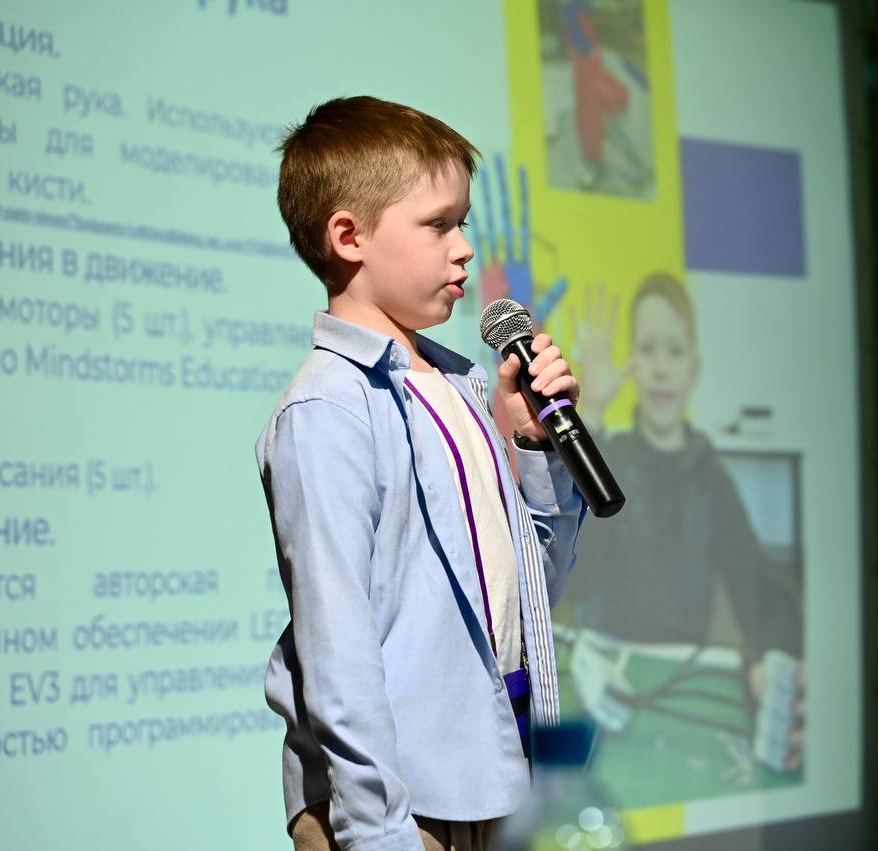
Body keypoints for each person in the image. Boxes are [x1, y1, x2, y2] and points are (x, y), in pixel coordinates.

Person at [256, 96, 588, 851]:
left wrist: (535, 447)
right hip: (399, 807)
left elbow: (529, 597)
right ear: (349, 237)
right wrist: (380, 834)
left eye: (463, 221)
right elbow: (337, 651)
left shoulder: (461, 385)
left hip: (493, 776)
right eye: (438, 225)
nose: (464, 248)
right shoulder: (328, 408)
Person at [566, 274, 803, 758]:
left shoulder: (711, 479)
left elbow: (762, 592)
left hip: (681, 691)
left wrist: (773, 654)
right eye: (648, 349)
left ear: (693, 370)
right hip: (606, 688)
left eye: (674, 351)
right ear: (633, 362)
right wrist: (592, 414)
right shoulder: (613, 459)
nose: (660, 367)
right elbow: (576, 579)